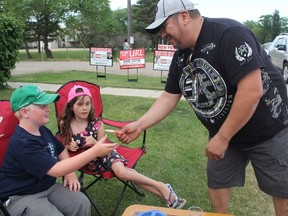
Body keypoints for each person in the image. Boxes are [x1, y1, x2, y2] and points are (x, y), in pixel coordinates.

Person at [116, 0, 288, 215]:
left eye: (164, 27)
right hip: (225, 136)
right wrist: (140, 125)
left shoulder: (229, 34)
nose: (162, 35)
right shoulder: (181, 55)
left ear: (184, 16)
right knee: (217, 182)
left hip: (268, 129)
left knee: (282, 191)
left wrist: (223, 137)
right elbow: (169, 96)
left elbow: (252, 90)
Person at [58, 84, 186, 209]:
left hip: (105, 155)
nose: (84, 108)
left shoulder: (97, 124)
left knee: (122, 173)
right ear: (71, 107)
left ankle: (162, 187)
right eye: (79, 104)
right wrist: (70, 146)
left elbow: (103, 147)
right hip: (87, 161)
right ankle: (168, 195)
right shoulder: (66, 124)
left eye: (87, 103)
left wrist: (94, 143)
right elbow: (63, 146)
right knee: (127, 173)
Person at [0, 84, 118, 216]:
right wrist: (94, 152)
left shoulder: (41, 129)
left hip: (46, 186)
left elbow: (60, 149)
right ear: (25, 112)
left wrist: (70, 173)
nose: (48, 109)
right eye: (42, 106)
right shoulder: (23, 143)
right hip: (20, 195)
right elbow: (56, 170)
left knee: (81, 202)